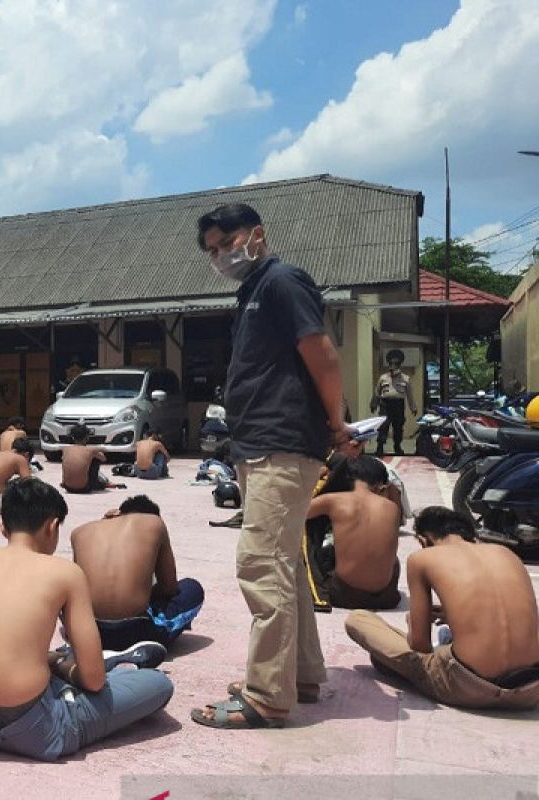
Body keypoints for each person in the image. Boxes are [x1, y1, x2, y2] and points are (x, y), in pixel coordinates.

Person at [190, 203, 350, 730]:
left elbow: (320, 352)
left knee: (260, 564)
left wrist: (337, 421)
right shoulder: (253, 291)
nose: (220, 255)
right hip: (262, 444)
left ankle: (264, 696)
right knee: (283, 562)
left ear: (256, 234)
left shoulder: (282, 282)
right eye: (211, 249)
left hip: (280, 445)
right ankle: (298, 675)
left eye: (225, 242)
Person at [0, 478, 174, 762]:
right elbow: (93, 680)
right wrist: (67, 670)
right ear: (52, 526)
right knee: (157, 684)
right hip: (36, 730)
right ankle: (76, 663)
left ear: (3, 526)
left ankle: (62, 663)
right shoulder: (64, 572)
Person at [346, 507, 539, 710]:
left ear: (423, 540)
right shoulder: (506, 553)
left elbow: (420, 646)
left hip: (467, 687)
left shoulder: (421, 559)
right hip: (530, 689)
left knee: (358, 620)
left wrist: (414, 620)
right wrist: (452, 616)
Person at [71, 495, 204, 651]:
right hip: (135, 632)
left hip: (87, 633)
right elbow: (169, 587)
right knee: (192, 588)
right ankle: (138, 647)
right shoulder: (154, 523)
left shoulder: (80, 532)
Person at [306, 456, 402, 610]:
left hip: (344, 595)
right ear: (379, 484)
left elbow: (298, 512)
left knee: (318, 544)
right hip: (386, 597)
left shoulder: (334, 500)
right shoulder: (392, 508)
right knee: (394, 560)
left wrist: (320, 476)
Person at [371, 349, 417, 457]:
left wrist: (413, 407)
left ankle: (397, 446)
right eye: (391, 363)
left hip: (398, 405)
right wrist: (374, 404)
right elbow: (377, 392)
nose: (393, 365)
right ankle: (380, 447)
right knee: (383, 426)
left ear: (400, 364)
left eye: (396, 363)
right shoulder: (383, 378)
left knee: (398, 427)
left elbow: (410, 395)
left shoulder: (405, 378)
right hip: (385, 405)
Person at [60, 424, 117, 493]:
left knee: (69, 461)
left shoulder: (66, 449)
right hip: (84, 488)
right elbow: (103, 458)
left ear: (73, 438)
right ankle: (103, 482)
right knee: (96, 459)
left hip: (68, 487)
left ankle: (65, 481)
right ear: (87, 438)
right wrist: (96, 450)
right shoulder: (91, 450)